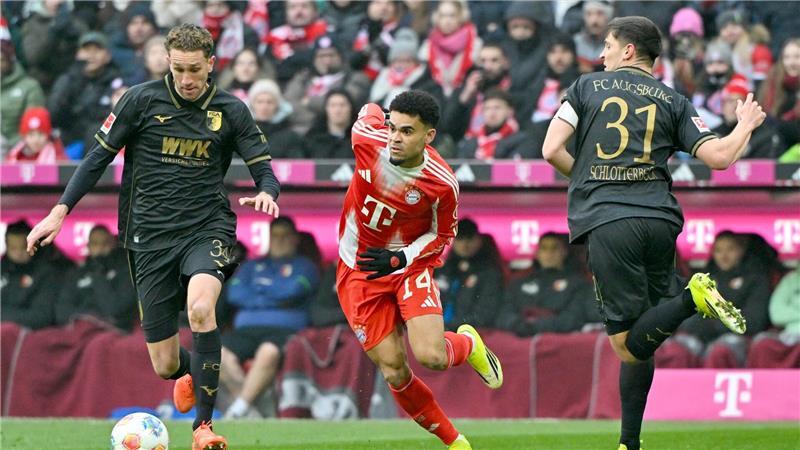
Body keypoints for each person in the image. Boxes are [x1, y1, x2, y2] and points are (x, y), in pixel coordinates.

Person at [26, 24, 280, 450]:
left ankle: (203, 428)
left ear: (211, 65)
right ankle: (188, 372)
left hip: (206, 228)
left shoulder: (231, 110)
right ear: (168, 61)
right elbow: (95, 160)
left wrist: (267, 193)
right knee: (164, 363)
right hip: (148, 239)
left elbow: (265, 171)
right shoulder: (140, 101)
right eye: (178, 68)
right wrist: (58, 212)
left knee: (201, 310)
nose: (186, 78)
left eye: (195, 69)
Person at [542, 16, 764, 450]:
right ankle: (630, 442)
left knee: (626, 346)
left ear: (627, 50)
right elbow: (718, 159)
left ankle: (690, 298)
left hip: (610, 222)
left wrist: (588, 181)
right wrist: (744, 126)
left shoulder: (586, 87)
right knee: (644, 332)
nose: (601, 53)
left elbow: (551, 149)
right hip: (660, 220)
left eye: (607, 44)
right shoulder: (675, 100)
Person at [335, 90, 502, 450]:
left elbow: (443, 235)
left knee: (431, 357)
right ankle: (454, 442)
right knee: (395, 369)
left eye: (407, 131)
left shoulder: (442, 183)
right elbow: (367, 111)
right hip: (358, 270)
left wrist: (401, 258)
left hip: (408, 267)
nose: (395, 137)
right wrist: (375, 111)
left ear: (429, 137)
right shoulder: (367, 138)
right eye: (393, 128)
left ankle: (468, 344)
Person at [220, 216, 319, 419]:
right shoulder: (250, 266)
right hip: (246, 330)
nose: (279, 240)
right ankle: (250, 409)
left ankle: (239, 410)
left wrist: (258, 293)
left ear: (295, 239)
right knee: (216, 354)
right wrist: (273, 297)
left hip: (284, 330)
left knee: (268, 352)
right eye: (275, 236)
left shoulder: (306, 266)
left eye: (285, 236)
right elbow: (234, 294)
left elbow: (293, 290)